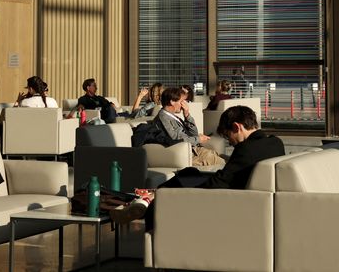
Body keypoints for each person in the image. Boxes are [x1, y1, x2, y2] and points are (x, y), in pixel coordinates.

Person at [111, 105, 285, 225]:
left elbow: (218, 184)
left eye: (228, 136)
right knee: (189, 172)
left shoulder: (246, 149)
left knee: (179, 182)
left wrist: (187, 188)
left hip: (226, 201)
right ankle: (151, 197)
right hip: (244, 196)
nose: (230, 142)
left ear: (237, 127)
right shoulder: (275, 142)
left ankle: (149, 201)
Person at [154, 87, 224, 166]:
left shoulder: (172, 116)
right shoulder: (163, 118)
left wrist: (187, 115)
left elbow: (194, 133)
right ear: (172, 102)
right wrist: (197, 139)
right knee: (226, 164)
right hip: (190, 155)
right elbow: (175, 140)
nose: (184, 104)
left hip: (195, 150)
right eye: (181, 101)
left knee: (225, 159)